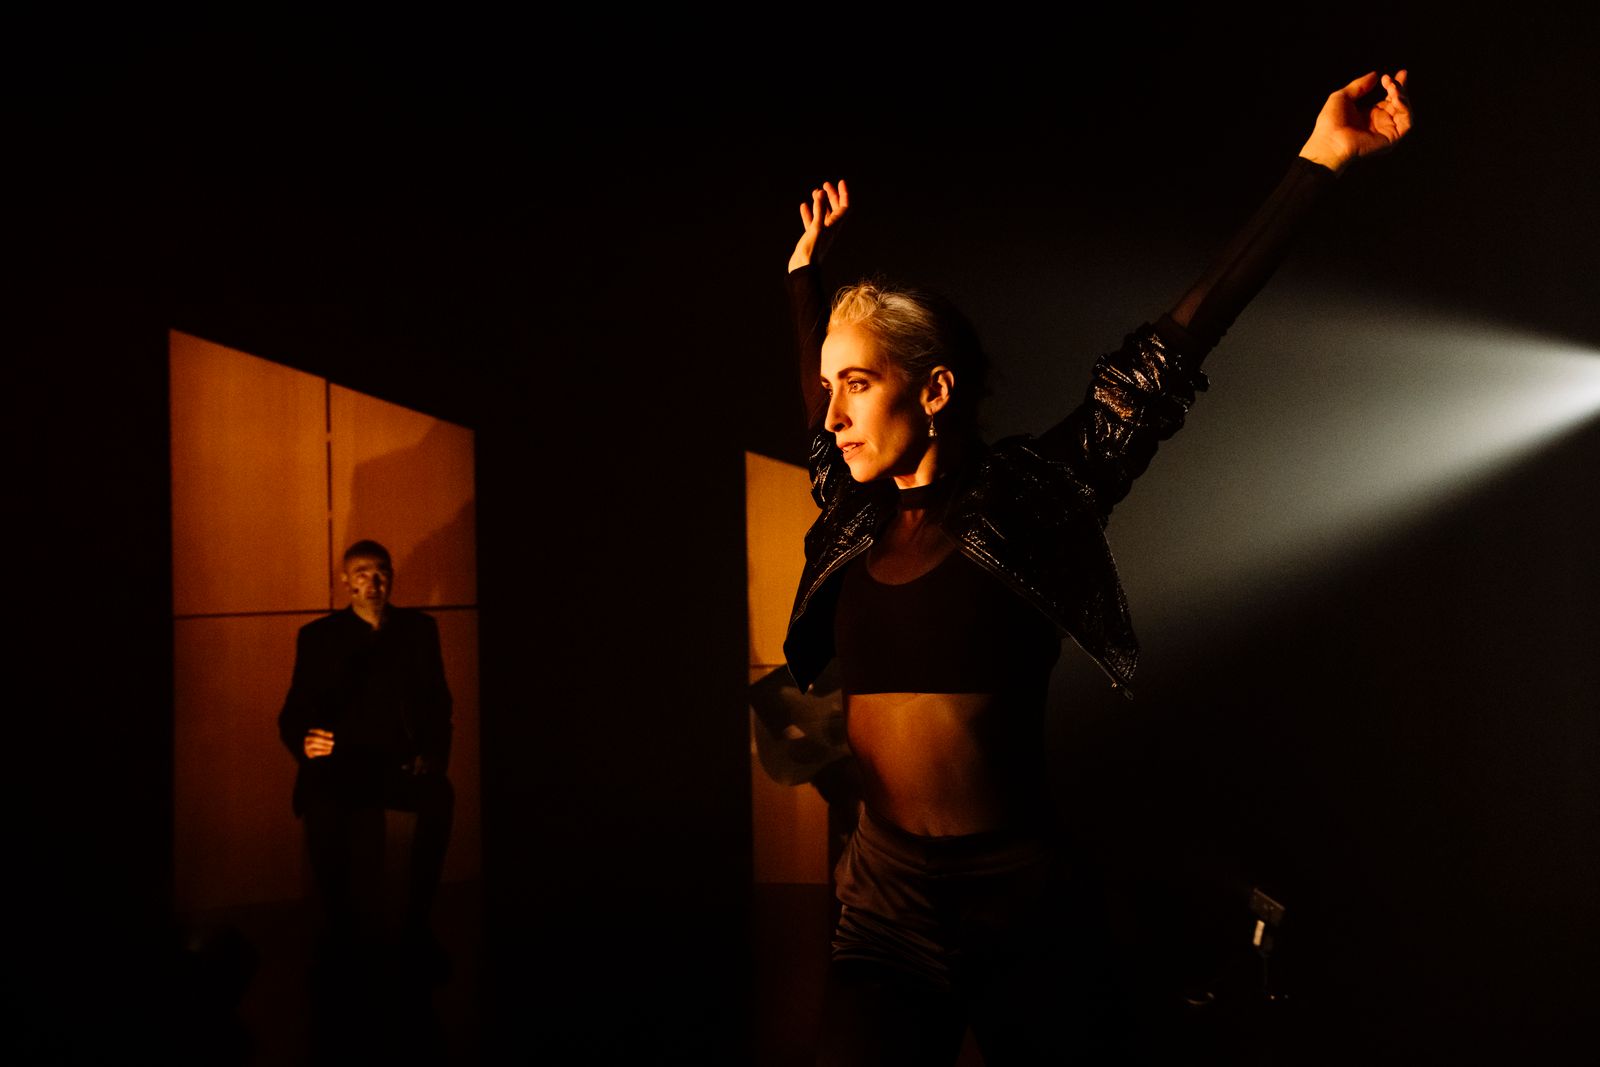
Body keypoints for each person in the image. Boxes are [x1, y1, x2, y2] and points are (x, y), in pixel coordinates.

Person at [780, 71, 1411, 1064]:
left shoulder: (1034, 495)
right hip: (882, 906)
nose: (831, 416)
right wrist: (805, 275)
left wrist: (1317, 164)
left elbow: (1168, 354)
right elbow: (810, 420)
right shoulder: (850, 516)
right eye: (826, 388)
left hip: (1021, 909)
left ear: (934, 388)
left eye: (855, 384)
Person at [278, 539, 455, 977]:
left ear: (391, 577)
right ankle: (339, 930)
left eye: (380, 571)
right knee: (322, 804)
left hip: (398, 762)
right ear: (345, 580)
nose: (373, 581)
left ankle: (416, 925)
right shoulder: (319, 637)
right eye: (362, 572)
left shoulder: (418, 630)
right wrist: (306, 741)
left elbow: (439, 703)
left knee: (438, 797)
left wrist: (432, 754)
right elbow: (295, 711)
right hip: (341, 766)